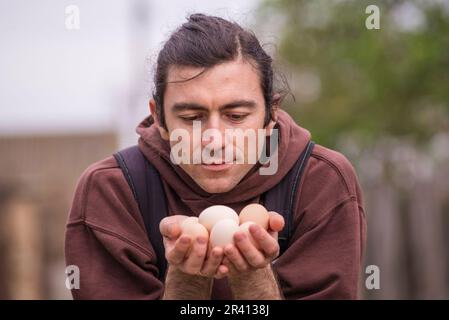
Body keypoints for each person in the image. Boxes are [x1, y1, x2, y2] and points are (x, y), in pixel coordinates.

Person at [65, 13, 366, 300]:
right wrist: (187, 280)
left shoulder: (322, 181)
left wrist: (252, 277)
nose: (214, 140)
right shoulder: (113, 191)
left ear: (270, 115)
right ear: (159, 118)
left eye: (235, 116)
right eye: (192, 117)